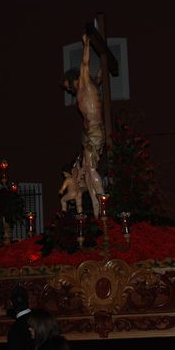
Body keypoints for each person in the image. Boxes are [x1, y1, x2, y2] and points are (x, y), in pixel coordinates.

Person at [62, 34, 105, 218]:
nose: (67, 89)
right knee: (87, 172)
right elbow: (100, 74)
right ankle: (97, 211)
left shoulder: (85, 84)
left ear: (73, 79)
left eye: (67, 85)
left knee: (91, 169)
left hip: (94, 131)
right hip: (90, 133)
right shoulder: (91, 85)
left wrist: (86, 45)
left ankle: (102, 201)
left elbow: (85, 65)